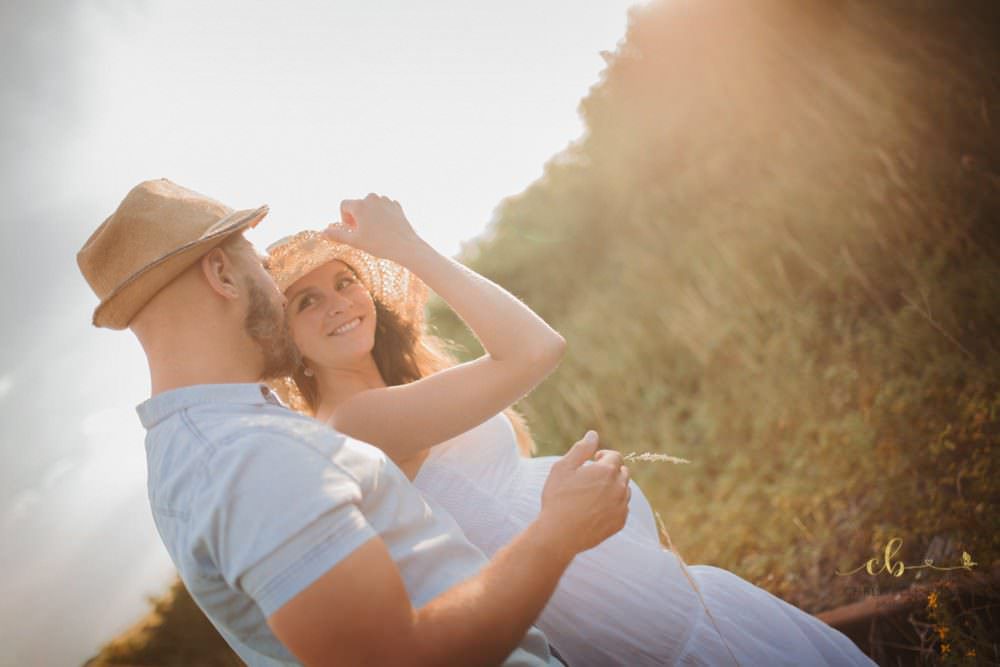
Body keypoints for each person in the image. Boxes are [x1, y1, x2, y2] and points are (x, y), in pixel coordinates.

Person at [266, 194, 879, 666]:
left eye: (344, 281)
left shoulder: (400, 392)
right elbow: (536, 348)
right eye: (306, 302)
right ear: (286, 340)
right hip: (633, 627)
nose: (337, 302)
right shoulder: (354, 422)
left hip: (659, 597)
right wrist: (408, 245)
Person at [76, 178, 633, 667]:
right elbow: (395, 661)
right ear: (222, 273)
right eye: (262, 268)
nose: (276, 293)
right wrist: (557, 533)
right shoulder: (246, 458)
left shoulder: (217, 445)